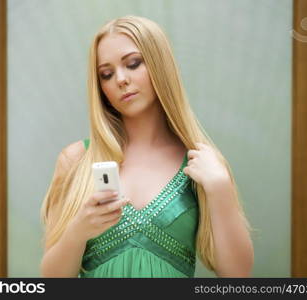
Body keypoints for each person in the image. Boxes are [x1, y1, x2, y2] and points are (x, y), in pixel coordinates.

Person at [40, 15, 253, 278]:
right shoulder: (76, 160)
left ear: (159, 65)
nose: (120, 79)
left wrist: (220, 189)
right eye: (106, 74)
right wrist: (78, 231)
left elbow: (237, 276)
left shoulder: (201, 163)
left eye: (133, 64)